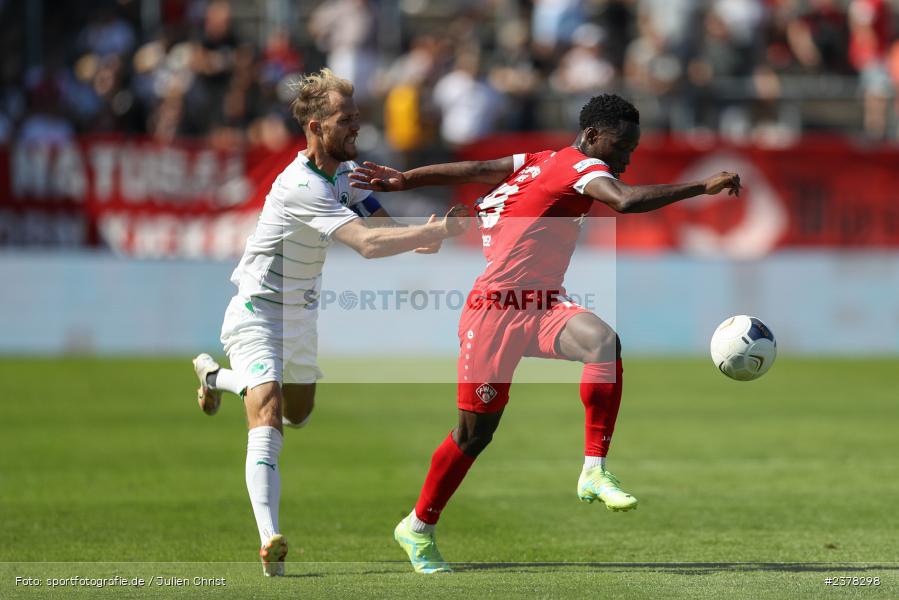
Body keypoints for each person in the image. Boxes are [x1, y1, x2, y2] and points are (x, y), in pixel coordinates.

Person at [350, 93, 741, 573]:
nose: (625, 158)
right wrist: (701, 186)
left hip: (541, 303)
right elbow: (625, 201)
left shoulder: (540, 160)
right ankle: (417, 526)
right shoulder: (578, 168)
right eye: (621, 147)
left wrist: (409, 178)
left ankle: (593, 470)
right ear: (593, 137)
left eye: (632, 150)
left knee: (602, 342)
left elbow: (477, 167)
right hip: (494, 310)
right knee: (475, 434)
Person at [191, 68, 466, 577]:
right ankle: (269, 535)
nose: (356, 126)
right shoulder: (299, 184)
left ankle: (213, 377)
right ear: (315, 126)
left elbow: (383, 228)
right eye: (346, 119)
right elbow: (366, 245)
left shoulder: (344, 172)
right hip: (257, 309)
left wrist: (426, 236)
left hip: (300, 316)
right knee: (268, 412)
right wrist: (424, 236)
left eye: (357, 116)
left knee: (298, 413)